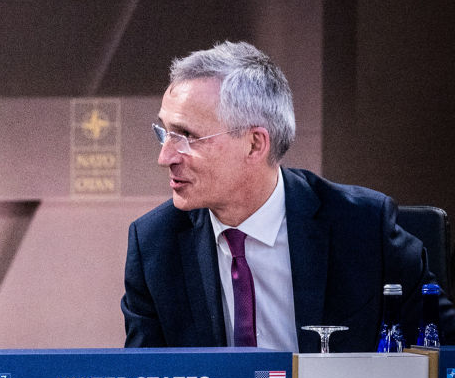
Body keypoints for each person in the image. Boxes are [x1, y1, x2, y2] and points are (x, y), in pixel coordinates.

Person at [122, 40, 450, 353]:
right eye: (164, 133)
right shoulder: (154, 244)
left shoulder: (363, 228)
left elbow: (445, 353)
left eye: (187, 136)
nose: (165, 157)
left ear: (255, 144)